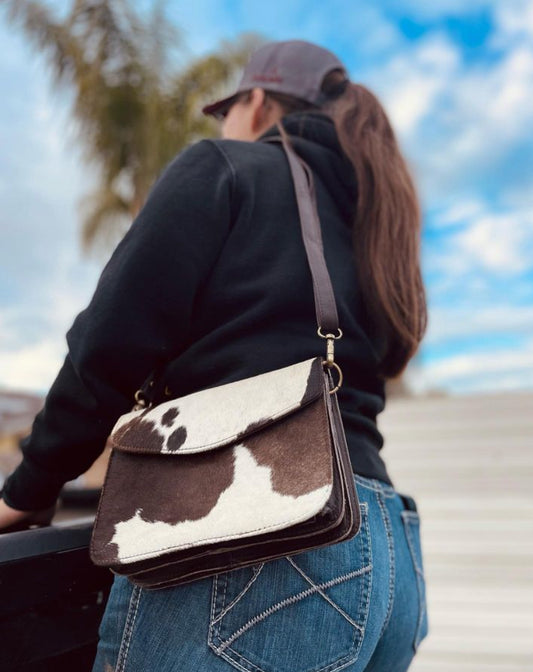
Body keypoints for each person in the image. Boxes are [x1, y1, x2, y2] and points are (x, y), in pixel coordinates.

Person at [0, 39, 429, 671]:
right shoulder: (373, 225)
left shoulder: (227, 168)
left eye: (226, 111)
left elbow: (109, 346)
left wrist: (30, 487)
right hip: (390, 550)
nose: (225, 126)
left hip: (263, 546)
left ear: (256, 102)